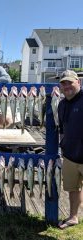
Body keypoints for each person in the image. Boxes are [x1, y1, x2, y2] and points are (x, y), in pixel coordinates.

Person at [57, 70, 83, 229]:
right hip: (70, 155)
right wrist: (63, 148)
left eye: (70, 82)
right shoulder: (61, 104)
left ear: (78, 82)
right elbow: (62, 129)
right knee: (73, 189)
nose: (66, 86)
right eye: (63, 83)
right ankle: (73, 217)